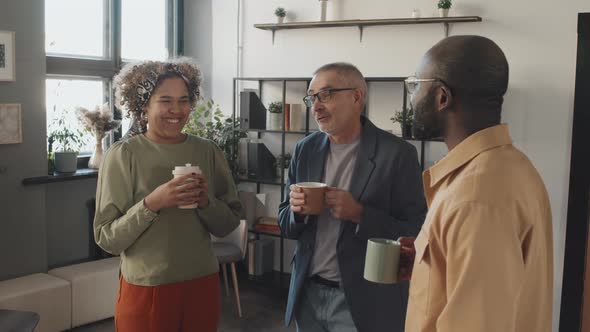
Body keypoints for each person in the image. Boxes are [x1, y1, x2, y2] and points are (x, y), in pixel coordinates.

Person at [403, 35, 553, 332]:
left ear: (442, 97)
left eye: (416, 85)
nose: (412, 97)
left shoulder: (475, 196)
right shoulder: (510, 166)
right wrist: (426, 264)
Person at [94, 58, 242, 332]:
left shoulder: (208, 151)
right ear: (143, 107)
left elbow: (229, 223)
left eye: (184, 100)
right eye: (165, 100)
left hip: (202, 282)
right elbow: (107, 239)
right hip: (148, 287)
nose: (177, 110)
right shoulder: (123, 155)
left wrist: (205, 203)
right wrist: (152, 203)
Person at [278, 62, 427, 332]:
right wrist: (296, 212)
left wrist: (359, 214)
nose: (316, 106)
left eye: (326, 94)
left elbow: (416, 231)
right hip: (308, 294)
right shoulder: (305, 150)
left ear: (357, 96)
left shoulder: (397, 154)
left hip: (363, 300)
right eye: (312, 97)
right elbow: (285, 222)